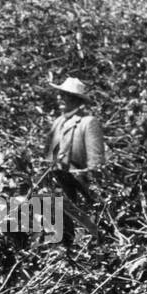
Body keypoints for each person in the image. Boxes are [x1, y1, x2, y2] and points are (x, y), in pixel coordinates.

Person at [42, 76, 105, 248]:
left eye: (66, 96)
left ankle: (96, 243)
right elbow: (49, 153)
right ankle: (64, 246)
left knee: (91, 219)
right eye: (60, 95)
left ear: (76, 100)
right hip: (58, 180)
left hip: (80, 180)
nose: (60, 99)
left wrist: (92, 182)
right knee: (59, 217)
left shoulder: (88, 122)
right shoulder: (58, 122)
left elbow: (96, 159)